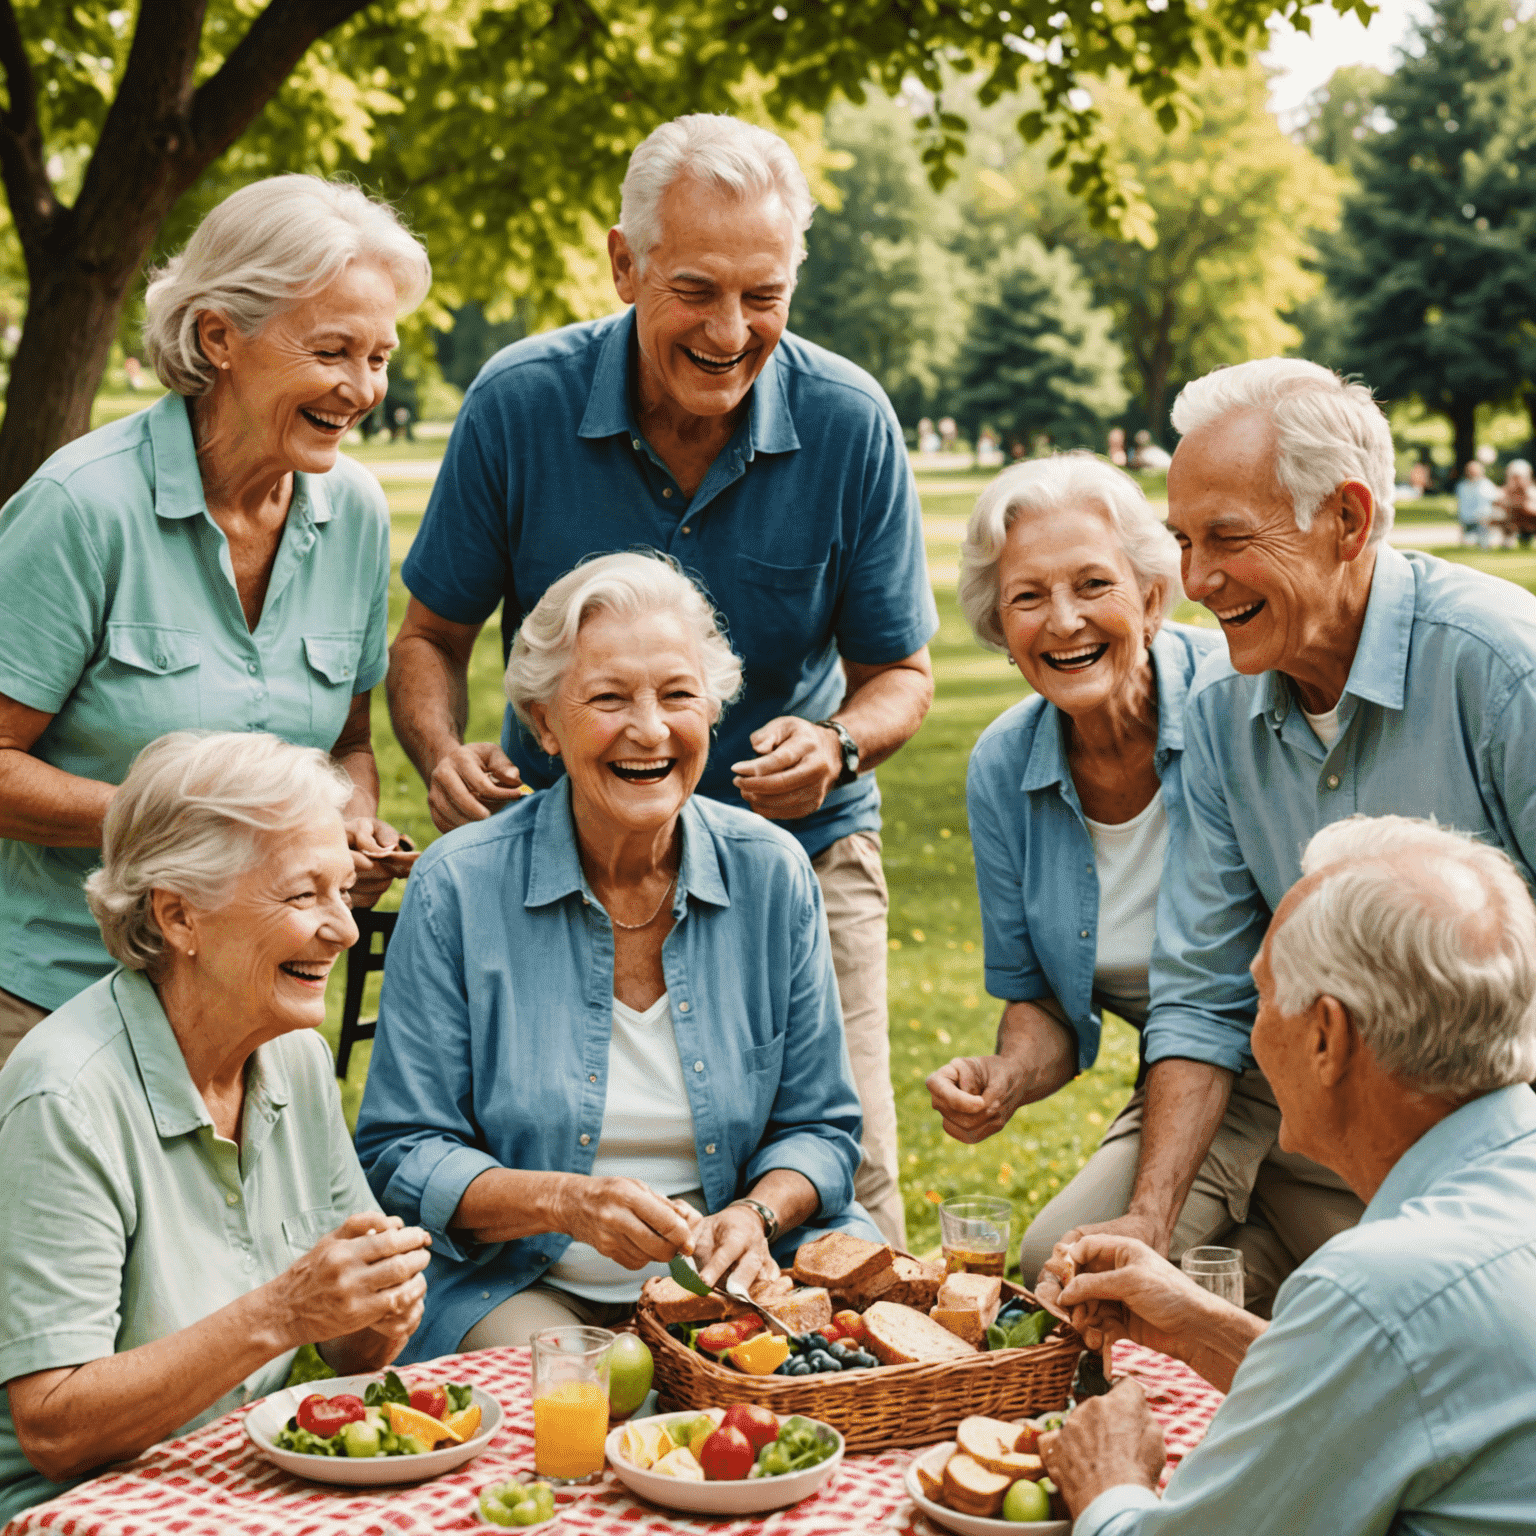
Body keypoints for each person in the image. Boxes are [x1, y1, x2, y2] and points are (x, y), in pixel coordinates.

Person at [385, 114, 936, 1248]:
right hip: (563, 856)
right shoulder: (519, 404)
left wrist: (839, 744)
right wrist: (441, 754)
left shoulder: (848, 423)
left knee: (847, 1190)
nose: (733, 332)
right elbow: (429, 635)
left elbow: (900, 673)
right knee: (558, 1161)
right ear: (623, 263)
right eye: (696, 290)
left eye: (765, 294)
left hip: (800, 856)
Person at [1052, 356, 1536, 1314]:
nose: (1195, 582)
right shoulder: (1224, 706)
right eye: (1183, 541)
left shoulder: (1501, 671)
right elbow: (1198, 985)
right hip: (1280, 1094)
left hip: (1466, 1114)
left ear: (1347, 521)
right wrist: (1151, 1214)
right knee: (1068, 1275)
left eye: (1228, 538)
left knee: (1400, 1315)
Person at [357, 553, 877, 1359]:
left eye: (678, 694)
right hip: (523, 1280)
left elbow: (822, 1127)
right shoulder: (457, 887)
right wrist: (567, 1203)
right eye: (607, 698)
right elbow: (404, 1152)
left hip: (741, 1280)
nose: (649, 729)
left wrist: (756, 1215)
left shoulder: (773, 873)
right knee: (587, 1406)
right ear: (542, 724)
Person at [0, 175, 429, 1064]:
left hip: (252, 1019)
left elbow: (349, 743)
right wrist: (193, 827)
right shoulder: (83, 508)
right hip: (55, 1004)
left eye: (379, 357)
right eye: (332, 351)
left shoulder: (352, 512)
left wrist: (341, 825)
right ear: (218, 336)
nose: (362, 388)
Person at [1033, 814, 1536, 1534]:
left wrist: (1109, 1483)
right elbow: (1405, 1390)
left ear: (1327, 1038)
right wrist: (1203, 1326)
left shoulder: (1378, 1290)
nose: (1252, 1032)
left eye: (1262, 999)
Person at [0, 732, 432, 1524]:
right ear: (178, 916)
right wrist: (282, 1312)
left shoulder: (293, 1055)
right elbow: (54, 1429)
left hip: (244, 1481)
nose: (342, 929)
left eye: (344, 891)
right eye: (305, 896)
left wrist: (377, 1312)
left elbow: (344, 1347)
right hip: (85, 1508)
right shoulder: (63, 1096)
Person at [923, 456, 1222, 1282]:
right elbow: (1045, 998)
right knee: (1060, 1271)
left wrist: (1154, 1212)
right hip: (1183, 1094)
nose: (1063, 622)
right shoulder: (1002, 766)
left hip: (1324, 1078)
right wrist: (1008, 1075)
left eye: (1094, 584)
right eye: (1028, 597)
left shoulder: (1239, 707)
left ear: (1153, 595)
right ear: (999, 624)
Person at [1495, 457, 1536, 548]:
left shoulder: (1532, 492)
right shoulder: (1503, 493)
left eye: (1520, 477)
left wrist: (1521, 506)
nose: (1517, 481)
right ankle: (1506, 543)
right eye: (1514, 477)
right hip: (1512, 524)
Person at [1454, 458, 1494, 547]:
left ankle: (1483, 541)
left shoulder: (1486, 485)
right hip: (1467, 519)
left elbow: (1493, 500)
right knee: (1469, 542)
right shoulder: (1462, 486)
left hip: (1482, 519)